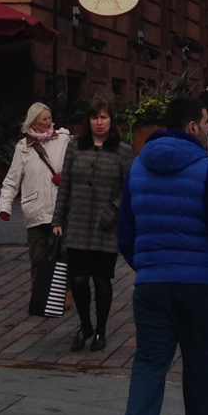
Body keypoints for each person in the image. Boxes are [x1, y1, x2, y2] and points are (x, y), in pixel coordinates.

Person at [117, 96, 208, 415]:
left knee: (148, 366)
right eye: (207, 122)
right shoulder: (206, 169)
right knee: (200, 366)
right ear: (192, 126)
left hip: (151, 285)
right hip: (197, 286)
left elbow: (125, 233)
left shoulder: (138, 167)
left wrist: (146, 264)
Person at [50, 98, 133, 352]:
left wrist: (114, 210)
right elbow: (66, 186)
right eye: (95, 118)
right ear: (89, 121)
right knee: (77, 279)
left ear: (111, 121)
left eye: (104, 117)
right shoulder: (75, 148)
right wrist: (58, 220)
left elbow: (129, 189)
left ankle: (101, 330)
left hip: (105, 228)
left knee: (101, 280)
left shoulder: (123, 151)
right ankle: (85, 325)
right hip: (76, 224)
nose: (99, 122)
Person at [0, 102, 71, 283]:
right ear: (33, 122)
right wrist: (4, 206)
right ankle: (39, 294)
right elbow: (11, 181)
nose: (48, 122)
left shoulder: (63, 139)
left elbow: (76, 165)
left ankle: (64, 293)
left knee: (60, 256)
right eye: (43, 119)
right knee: (37, 256)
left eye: (49, 118)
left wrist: (66, 177)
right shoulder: (23, 147)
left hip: (59, 209)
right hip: (35, 211)